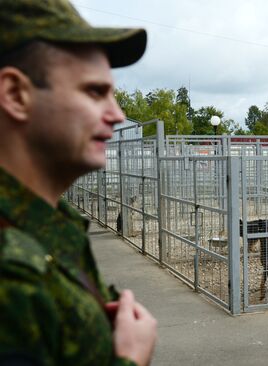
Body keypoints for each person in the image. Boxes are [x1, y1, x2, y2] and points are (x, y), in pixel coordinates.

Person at [0, 1, 157, 365]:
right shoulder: (13, 272)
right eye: (93, 92)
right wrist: (130, 359)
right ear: (15, 95)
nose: (117, 115)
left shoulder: (47, 228)